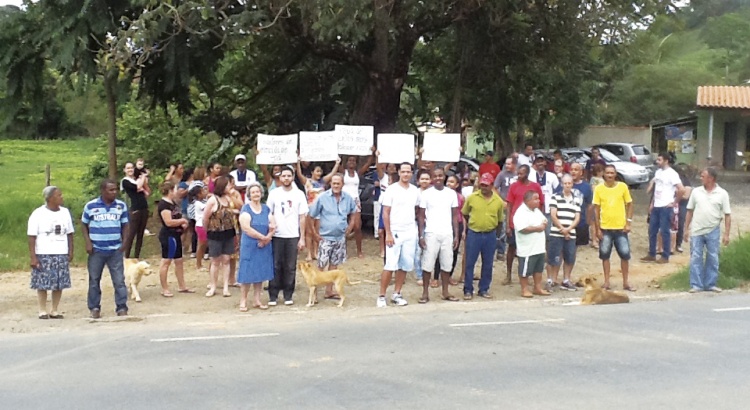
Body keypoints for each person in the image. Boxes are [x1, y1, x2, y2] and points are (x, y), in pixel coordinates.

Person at [81, 179, 130, 318]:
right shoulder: (91, 206)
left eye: (115, 190)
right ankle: (94, 307)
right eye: (111, 190)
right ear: (103, 191)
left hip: (115, 248)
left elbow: (126, 225)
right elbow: (84, 224)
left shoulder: (121, 206)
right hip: (96, 249)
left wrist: (125, 243)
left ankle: (121, 307)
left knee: (119, 280)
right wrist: (88, 242)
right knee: (94, 280)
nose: (114, 192)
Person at [378, 162, 421, 307]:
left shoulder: (415, 190)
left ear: (412, 173)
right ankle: (382, 296)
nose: (406, 174)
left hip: (410, 231)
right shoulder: (391, 190)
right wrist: (388, 233)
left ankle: (397, 293)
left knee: (405, 265)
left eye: (408, 172)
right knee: (390, 265)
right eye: (403, 171)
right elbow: (385, 212)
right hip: (395, 232)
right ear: (399, 172)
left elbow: (417, 210)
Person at [27, 186, 74, 319]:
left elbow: (70, 233)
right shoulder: (38, 213)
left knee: (59, 282)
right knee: (43, 283)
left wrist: (70, 251)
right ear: (50, 198)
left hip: (61, 252)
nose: (61, 197)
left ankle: (55, 309)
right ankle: (42, 309)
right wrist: (33, 257)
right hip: (44, 252)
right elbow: (31, 236)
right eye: (59, 195)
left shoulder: (65, 212)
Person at [308, 174, 357, 300]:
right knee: (321, 265)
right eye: (334, 183)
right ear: (330, 184)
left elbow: (354, 212)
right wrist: (314, 233)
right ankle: (315, 293)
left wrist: (350, 227)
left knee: (334, 265)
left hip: (340, 237)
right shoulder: (322, 197)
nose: (336, 185)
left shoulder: (348, 198)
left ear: (342, 184)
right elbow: (311, 215)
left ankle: (329, 291)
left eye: (338, 183)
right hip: (325, 237)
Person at [266, 167, 308, 306]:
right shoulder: (274, 194)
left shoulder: (299, 194)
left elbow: (302, 217)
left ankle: (288, 294)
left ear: (292, 177)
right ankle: (273, 295)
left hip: (292, 235)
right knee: (276, 265)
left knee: (290, 266)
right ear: (280, 177)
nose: (286, 178)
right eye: (283, 176)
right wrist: (270, 231)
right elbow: (269, 213)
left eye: (289, 176)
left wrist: (302, 237)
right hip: (277, 235)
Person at [685, 168, 731, 293]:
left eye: (703, 176)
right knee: (696, 257)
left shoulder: (722, 194)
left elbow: (727, 214)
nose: (701, 178)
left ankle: (710, 283)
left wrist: (726, 234)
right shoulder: (696, 192)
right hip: (697, 230)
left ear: (711, 178)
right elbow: (689, 211)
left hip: (713, 230)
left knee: (713, 257)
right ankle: (696, 284)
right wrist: (686, 229)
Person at [417, 168, 460, 303]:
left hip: (447, 233)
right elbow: (421, 216)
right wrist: (421, 236)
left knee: (447, 263)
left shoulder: (451, 194)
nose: (438, 178)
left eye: (440, 176)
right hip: (431, 233)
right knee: (427, 264)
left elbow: (455, 216)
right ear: (431, 178)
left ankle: (445, 292)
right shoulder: (426, 194)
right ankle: (425, 293)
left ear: (444, 177)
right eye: (435, 176)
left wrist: (456, 235)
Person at [461, 172, 505, 299]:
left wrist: (495, 236)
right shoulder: (472, 197)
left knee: (488, 263)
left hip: (490, 234)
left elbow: (500, 220)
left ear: (492, 185)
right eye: (482, 185)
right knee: (470, 262)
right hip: (474, 233)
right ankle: (468, 290)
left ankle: (484, 289)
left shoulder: (498, 201)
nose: (483, 187)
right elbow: (465, 213)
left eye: (486, 185)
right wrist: (472, 224)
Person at [592, 164, 635, 291]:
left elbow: (630, 204)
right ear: (603, 174)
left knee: (625, 254)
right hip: (605, 228)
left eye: (612, 173)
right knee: (605, 255)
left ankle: (626, 282)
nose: (610, 175)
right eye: (607, 173)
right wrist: (597, 228)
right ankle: (606, 282)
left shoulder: (622, 187)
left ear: (615, 174)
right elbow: (596, 209)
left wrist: (628, 222)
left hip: (621, 228)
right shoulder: (599, 189)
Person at [237, 182, 276, 310]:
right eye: (253, 192)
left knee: (260, 272)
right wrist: (262, 237)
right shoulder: (246, 209)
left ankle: (257, 300)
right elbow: (246, 228)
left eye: (257, 192)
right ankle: (243, 301)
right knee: (247, 273)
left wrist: (268, 237)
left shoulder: (266, 209)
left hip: (264, 245)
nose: (256, 194)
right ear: (249, 194)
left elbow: (273, 225)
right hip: (250, 245)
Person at [504, 165, 543, 285]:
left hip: (531, 222)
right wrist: (507, 224)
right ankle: (508, 274)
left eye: (521, 173)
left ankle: (528, 274)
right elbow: (509, 205)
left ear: (527, 174)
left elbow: (540, 203)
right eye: (518, 173)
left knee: (529, 250)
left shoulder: (535, 186)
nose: (519, 176)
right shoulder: (514, 186)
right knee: (511, 249)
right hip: (515, 223)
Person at [642, 153, 684, 264]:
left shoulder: (672, 174)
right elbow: (656, 188)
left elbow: (681, 189)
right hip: (657, 205)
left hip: (665, 206)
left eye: (659, 160)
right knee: (652, 230)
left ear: (666, 161)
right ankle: (652, 253)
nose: (657, 162)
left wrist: (674, 202)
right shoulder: (658, 172)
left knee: (665, 231)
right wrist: (652, 203)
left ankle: (665, 255)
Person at [297, 158, 341, 262]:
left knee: (317, 232)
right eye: (317, 171)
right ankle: (308, 253)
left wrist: (337, 163)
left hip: (321, 211)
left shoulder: (323, 182)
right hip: (310, 209)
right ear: (312, 172)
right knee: (309, 232)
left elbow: (332, 173)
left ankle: (315, 252)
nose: (319, 173)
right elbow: (299, 174)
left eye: (320, 171)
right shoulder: (307, 182)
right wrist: (298, 163)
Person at [202, 176, 237, 298]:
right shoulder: (213, 200)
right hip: (215, 233)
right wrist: (207, 230)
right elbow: (205, 217)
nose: (230, 187)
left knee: (227, 259)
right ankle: (213, 285)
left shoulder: (228, 198)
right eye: (228, 185)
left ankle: (226, 286)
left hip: (228, 231)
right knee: (215, 261)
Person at [547, 175, 581, 292]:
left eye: (569, 183)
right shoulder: (555, 197)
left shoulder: (576, 199)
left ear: (572, 184)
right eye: (565, 183)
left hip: (571, 233)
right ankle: (552, 280)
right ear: (562, 184)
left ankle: (566, 280)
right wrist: (562, 229)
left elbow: (577, 217)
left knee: (570, 257)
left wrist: (569, 229)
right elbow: (553, 215)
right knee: (554, 257)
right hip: (557, 232)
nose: (567, 185)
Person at [514, 191, 550, 298]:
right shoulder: (520, 212)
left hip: (539, 247)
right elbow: (522, 228)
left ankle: (537, 287)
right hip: (527, 248)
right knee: (525, 270)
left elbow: (544, 220)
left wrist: (542, 224)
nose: (538, 201)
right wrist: (537, 228)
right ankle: (524, 289)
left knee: (538, 269)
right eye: (535, 199)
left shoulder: (536, 211)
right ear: (527, 200)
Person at [342, 149, 376, 259]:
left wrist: (372, 152)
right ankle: (343, 250)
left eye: (353, 160)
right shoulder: (343, 172)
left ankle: (359, 250)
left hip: (355, 201)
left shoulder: (358, 173)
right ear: (346, 162)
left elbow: (368, 163)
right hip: (343, 201)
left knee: (357, 227)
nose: (351, 162)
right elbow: (335, 161)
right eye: (349, 160)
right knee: (342, 226)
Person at [120, 162, 150, 259]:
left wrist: (143, 180)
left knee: (140, 234)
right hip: (135, 208)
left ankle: (137, 256)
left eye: (132, 168)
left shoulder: (136, 179)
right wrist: (143, 178)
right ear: (124, 170)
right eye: (128, 168)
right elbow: (136, 187)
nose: (130, 170)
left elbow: (147, 192)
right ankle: (127, 256)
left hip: (143, 207)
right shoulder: (125, 181)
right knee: (131, 233)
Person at [493, 156, 517, 261]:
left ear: (514, 164)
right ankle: (501, 251)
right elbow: (494, 187)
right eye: (506, 164)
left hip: (515, 205)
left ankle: (515, 250)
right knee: (502, 228)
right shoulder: (501, 174)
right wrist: (501, 200)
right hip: (504, 204)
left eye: (509, 164)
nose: (507, 166)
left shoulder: (517, 175)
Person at [530, 156, 559, 234]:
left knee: (548, 232)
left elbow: (558, 192)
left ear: (545, 162)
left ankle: (547, 246)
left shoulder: (552, 176)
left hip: (548, 209)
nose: (540, 163)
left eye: (542, 161)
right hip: (534, 209)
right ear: (535, 163)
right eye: (538, 161)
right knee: (536, 232)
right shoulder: (530, 177)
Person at [413, 169, 433, 285]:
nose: (424, 181)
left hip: (431, 224)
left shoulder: (434, 192)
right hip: (417, 224)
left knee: (429, 251)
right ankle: (420, 275)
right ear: (418, 180)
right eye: (422, 179)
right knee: (418, 251)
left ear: (430, 180)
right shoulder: (415, 192)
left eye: (427, 178)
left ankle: (429, 275)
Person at [375, 163, 398, 255]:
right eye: (389, 166)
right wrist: (377, 157)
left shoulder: (398, 181)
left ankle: (391, 248)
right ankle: (382, 249)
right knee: (381, 231)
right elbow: (378, 167)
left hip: (393, 208)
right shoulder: (383, 177)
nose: (391, 168)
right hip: (383, 207)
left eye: (393, 166)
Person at [446, 174, 465, 285]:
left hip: (457, 224)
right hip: (444, 224)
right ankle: (436, 276)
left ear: (457, 185)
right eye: (448, 181)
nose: (449, 184)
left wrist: (463, 230)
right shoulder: (441, 196)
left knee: (454, 251)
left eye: (452, 182)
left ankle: (449, 275)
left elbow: (463, 215)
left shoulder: (460, 197)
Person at [569, 163, 593, 247]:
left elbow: (590, 205)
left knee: (575, 248)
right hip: (566, 222)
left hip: (581, 223)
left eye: (576, 170)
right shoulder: (564, 184)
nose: (573, 172)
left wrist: (588, 222)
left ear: (581, 172)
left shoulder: (586, 187)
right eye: (571, 169)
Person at [188, 183, 208, 270]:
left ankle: (199, 263)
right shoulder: (198, 203)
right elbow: (208, 208)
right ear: (199, 194)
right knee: (201, 245)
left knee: (203, 245)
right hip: (201, 226)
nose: (205, 192)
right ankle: (198, 264)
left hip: (203, 225)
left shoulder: (201, 202)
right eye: (203, 191)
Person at [675, 166, 693, 253]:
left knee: (680, 224)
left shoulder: (685, 181)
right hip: (674, 204)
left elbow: (686, 196)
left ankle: (678, 243)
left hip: (682, 205)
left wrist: (676, 194)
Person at [589, 163, 605, 248]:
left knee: (598, 221)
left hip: (602, 202)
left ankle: (597, 237)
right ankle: (594, 240)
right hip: (595, 202)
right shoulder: (594, 180)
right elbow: (594, 190)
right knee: (593, 222)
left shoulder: (601, 179)